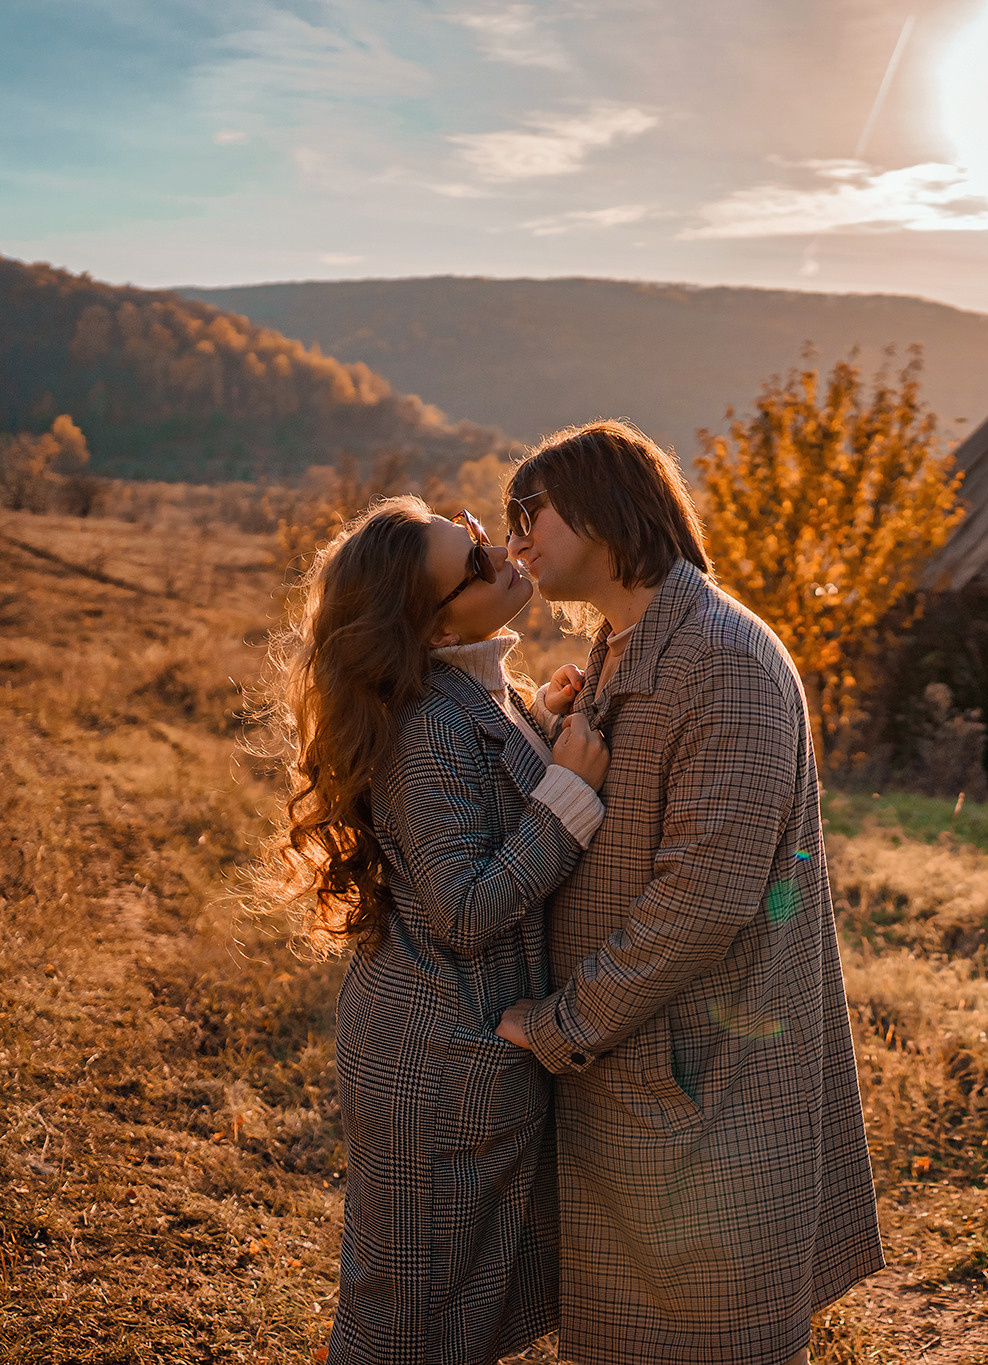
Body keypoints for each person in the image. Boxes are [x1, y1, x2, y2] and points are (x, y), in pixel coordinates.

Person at [494, 421, 884, 1365]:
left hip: (707, 1079)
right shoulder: (625, 648)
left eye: (529, 511)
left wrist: (560, 1024)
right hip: (641, 1075)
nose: (515, 540)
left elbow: (703, 899)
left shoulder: (722, 658)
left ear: (601, 507)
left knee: (708, 1337)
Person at [269, 497, 608, 1365]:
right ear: (432, 625)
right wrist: (566, 796)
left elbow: (475, 799)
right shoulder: (427, 727)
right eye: (474, 563)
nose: (501, 553)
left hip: (456, 1048)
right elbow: (463, 907)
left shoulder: (467, 688)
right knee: (407, 1321)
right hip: (432, 1060)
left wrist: (539, 724)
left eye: (477, 533)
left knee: (451, 1309)